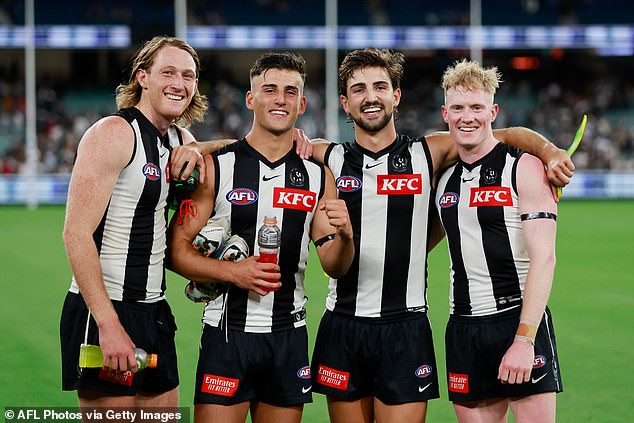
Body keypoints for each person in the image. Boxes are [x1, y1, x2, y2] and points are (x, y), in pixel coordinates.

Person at [301, 48, 573, 423]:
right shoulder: (323, 156)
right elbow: (252, 148)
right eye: (359, 89)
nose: (371, 97)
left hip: (407, 325)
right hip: (343, 324)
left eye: (380, 86)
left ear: (396, 96)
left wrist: (549, 150)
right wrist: (197, 149)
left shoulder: (428, 154)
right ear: (345, 103)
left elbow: (502, 134)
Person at [167, 52, 354, 423]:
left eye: (290, 92)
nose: (280, 99)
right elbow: (174, 252)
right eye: (269, 90)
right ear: (251, 99)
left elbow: (335, 265)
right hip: (226, 335)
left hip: (289, 335)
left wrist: (347, 237)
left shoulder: (318, 177)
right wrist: (232, 273)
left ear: (301, 104)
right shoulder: (216, 168)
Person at [60, 36, 209, 408]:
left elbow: (235, 148)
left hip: (155, 310)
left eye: (188, 75)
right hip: (106, 308)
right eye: (169, 72)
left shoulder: (181, 139)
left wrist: (202, 147)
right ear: (142, 77)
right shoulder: (113, 133)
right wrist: (108, 326)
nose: (180, 83)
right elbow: (75, 235)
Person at [435, 59, 563, 423]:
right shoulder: (443, 179)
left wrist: (524, 340)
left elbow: (545, 259)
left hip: (517, 321)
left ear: (493, 111)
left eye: (476, 107)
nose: (467, 117)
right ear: (445, 113)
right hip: (462, 326)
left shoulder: (524, 167)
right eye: (458, 108)